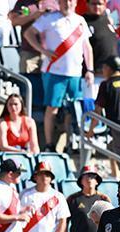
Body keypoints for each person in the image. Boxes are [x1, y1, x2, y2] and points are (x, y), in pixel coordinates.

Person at [24, 0, 95, 151]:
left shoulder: (80, 20)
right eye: (64, 1)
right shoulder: (49, 19)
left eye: (70, 1)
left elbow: (87, 47)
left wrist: (90, 69)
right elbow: (29, 33)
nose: (67, 4)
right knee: (52, 108)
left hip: (75, 72)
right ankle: (49, 144)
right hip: (54, 71)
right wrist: (43, 51)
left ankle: (70, 142)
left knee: (72, 109)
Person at [21, 162, 70, 232]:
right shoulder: (25, 194)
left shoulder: (59, 196)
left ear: (51, 178)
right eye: (41, 174)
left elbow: (63, 222)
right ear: (35, 177)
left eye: (47, 174)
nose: (44, 177)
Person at [65, 165, 109, 232]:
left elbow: (109, 224)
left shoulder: (104, 199)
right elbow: (64, 223)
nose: (89, 179)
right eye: (86, 176)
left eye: (92, 176)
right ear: (81, 181)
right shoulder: (72, 199)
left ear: (97, 181)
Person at [9, 0, 53, 74]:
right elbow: (15, 21)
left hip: (50, 52)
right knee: (29, 79)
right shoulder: (23, 2)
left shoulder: (53, 2)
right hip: (29, 52)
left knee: (49, 80)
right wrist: (33, 16)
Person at [84, 0, 118, 92]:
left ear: (105, 5)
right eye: (93, 3)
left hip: (112, 77)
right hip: (94, 77)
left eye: (99, 4)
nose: (97, 6)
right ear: (87, 4)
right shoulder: (83, 21)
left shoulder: (107, 20)